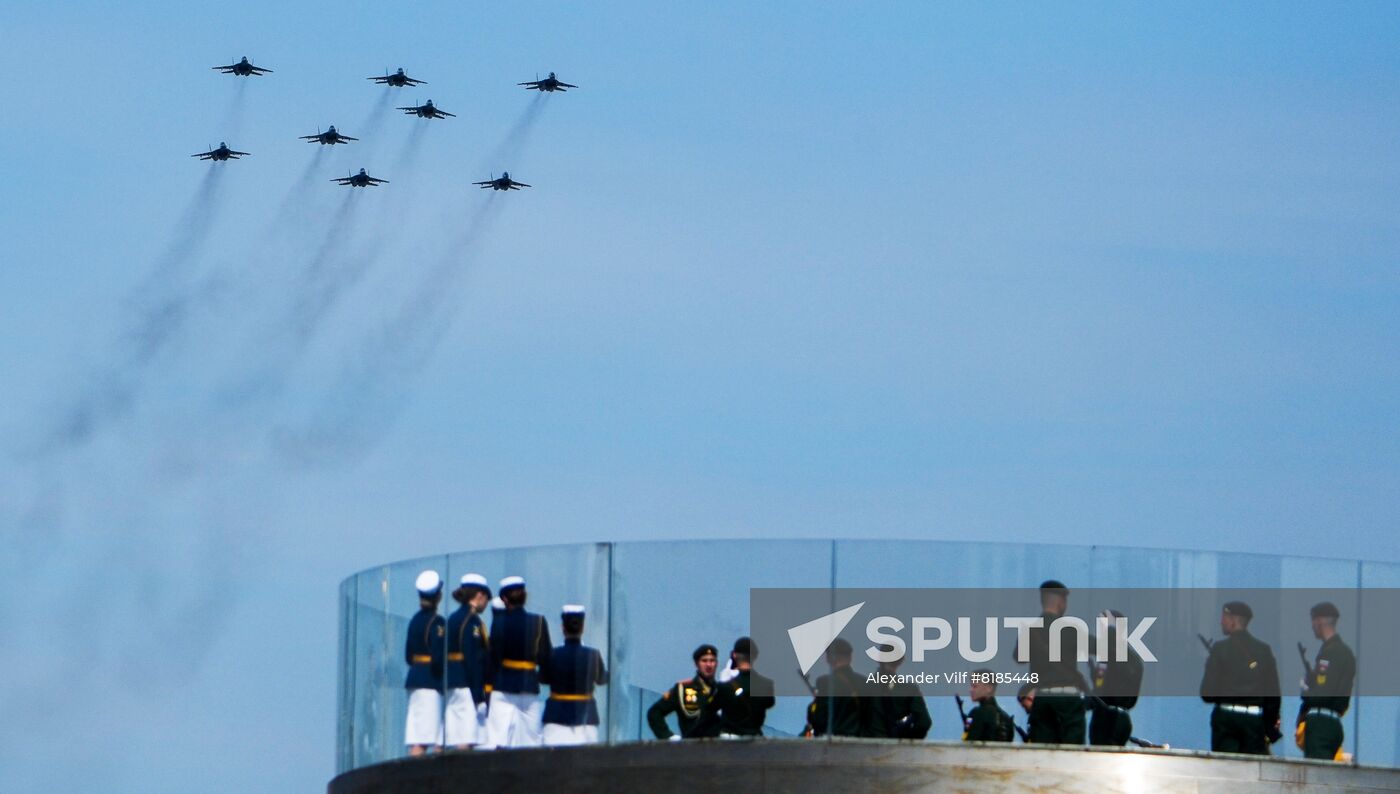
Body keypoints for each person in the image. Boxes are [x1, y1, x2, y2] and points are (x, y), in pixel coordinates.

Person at [1200, 600, 1281, 755]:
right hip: (1254, 723)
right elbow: (1273, 696)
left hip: (1225, 721)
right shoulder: (1264, 650)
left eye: (1224, 617)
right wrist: (1269, 726)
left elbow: (1207, 693)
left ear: (1233, 620)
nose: (1221, 621)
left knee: (1226, 771)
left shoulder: (1219, 649)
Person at [486, 575, 552, 748]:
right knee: (531, 741)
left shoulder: (499, 622)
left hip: (503, 684)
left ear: (504, 599)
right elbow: (545, 657)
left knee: (498, 739)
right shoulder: (538, 622)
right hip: (529, 685)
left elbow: (494, 657)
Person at [1018, 580, 1088, 744]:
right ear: (1060, 602)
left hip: (1042, 698)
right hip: (1067, 699)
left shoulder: (1032, 630)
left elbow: (1019, 658)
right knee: (1072, 753)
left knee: (1042, 750)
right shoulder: (1069, 630)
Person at [1296, 601, 1355, 761]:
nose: (1312, 626)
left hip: (1321, 724)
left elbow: (1323, 693)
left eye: (1313, 621)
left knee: (1317, 776)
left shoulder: (1330, 653)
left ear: (1319, 621)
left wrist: (1306, 691)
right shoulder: (1345, 653)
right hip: (1333, 724)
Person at [542, 605, 608, 746]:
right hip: (586, 719)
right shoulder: (593, 655)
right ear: (582, 627)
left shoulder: (552, 654)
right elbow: (602, 679)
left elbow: (543, 678)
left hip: (556, 718)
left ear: (563, 627)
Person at [444, 573, 492, 749]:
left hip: (452, 681)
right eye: (486, 597)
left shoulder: (453, 618)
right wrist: (479, 695)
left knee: (456, 735)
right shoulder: (472, 622)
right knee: (466, 737)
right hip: (466, 684)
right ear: (479, 596)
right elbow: (473, 659)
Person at [404, 570, 446, 756]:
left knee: (416, 736)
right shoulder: (438, 623)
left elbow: (408, 655)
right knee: (432, 736)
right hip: (430, 680)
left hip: (414, 677)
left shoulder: (414, 620)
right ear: (438, 596)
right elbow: (438, 657)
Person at [1088, 609, 1144, 747]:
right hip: (1100, 719)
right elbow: (1101, 690)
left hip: (1115, 721)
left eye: (1104, 627)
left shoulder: (1130, 657)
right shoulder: (1105, 658)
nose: (1100, 632)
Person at [702, 637, 776, 738]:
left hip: (729, 742)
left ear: (734, 655)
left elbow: (709, 710)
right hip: (755, 741)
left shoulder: (725, 687)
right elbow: (769, 703)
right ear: (755, 656)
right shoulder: (766, 685)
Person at [648, 644, 720, 740]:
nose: (709, 665)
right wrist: (669, 737)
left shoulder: (721, 690)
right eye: (704, 661)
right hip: (691, 749)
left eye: (712, 661)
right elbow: (654, 713)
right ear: (696, 664)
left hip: (719, 749)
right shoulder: (683, 689)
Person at [806, 638, 867, 737]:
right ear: (850, 658)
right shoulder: (864, 682)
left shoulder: (825, 682)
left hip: (835, 745)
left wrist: (813, 706)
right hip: (861, 744)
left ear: (829, 659)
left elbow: (819, 719)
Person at [865, 656, 931, 740]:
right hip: (896, 748)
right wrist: (905, 740)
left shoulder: (862, 686)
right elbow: (924, 723)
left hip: (865, 747)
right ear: (901, 661)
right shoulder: (909, 689)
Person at [962, 669, 1014, 742]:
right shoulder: (1006, 717)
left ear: (989, 688)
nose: (970, 690)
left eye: (975, 686)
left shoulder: (976, 713)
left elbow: (968, 744)